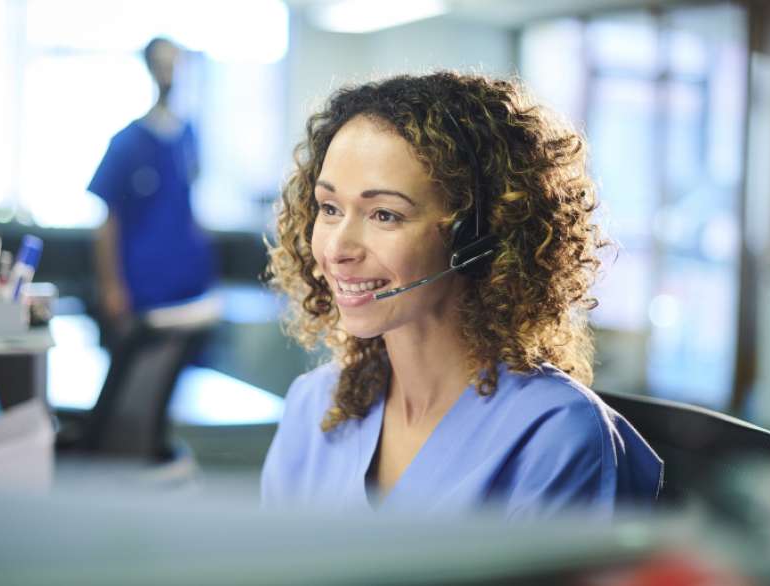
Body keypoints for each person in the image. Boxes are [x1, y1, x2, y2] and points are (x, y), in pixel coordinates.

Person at [261, 72, 662, 519]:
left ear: (479, 237)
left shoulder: (557, 435)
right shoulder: (313, 404)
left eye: (385, 215)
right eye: (330, 208)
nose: (336, 249)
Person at [88, 37, 216, 343]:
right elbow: (108, 222)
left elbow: (189, 207)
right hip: (143, 283)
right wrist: (111, 287)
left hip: (187, 279)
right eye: (162, 65)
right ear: (149, 69)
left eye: (174, 64)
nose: (169, 73)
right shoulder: (126, 143)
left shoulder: (188, 137)